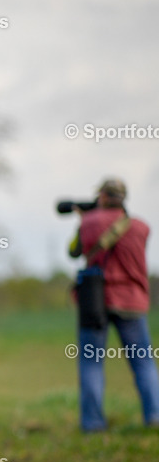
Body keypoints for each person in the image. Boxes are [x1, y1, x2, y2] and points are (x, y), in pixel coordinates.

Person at [69, 178, 159, 432]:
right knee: (143, 361)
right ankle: (154, 416)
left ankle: (93, 422)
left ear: (103, 197)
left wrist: (83, 221)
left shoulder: (90, 222)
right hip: (132, 301)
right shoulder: (141, 226)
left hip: (95, 301)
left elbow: (74, 251)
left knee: (91, 362)